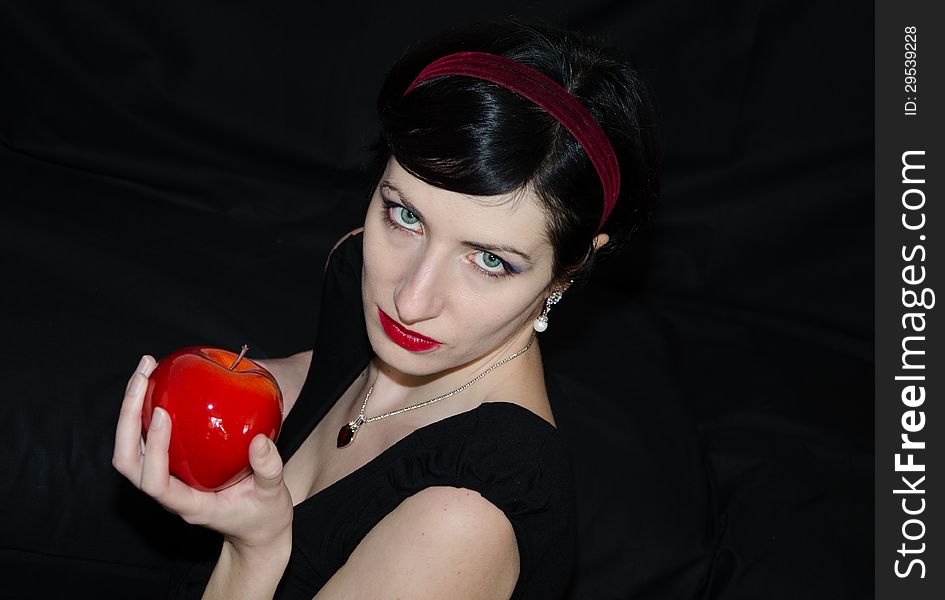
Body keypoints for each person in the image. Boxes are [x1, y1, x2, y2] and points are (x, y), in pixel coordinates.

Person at [113, 18, 659, 600]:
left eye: (490, 261)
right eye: (406, 216)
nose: (409, 299)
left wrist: (254, 554)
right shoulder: (360, 273)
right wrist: (202, 399)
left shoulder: (463, 521)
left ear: (569, 270)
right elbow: (321, 372)